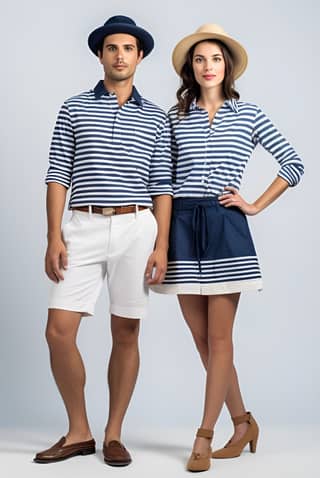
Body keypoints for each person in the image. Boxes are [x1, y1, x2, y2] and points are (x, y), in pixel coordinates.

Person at [151, 23, 304, 472]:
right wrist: (159, 241)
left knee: (220, 339)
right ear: (189, 68)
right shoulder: (173, 117)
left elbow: (293, 164)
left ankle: (203, 436)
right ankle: (243, 423)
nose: (207, 66)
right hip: (181, 226)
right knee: (202, 341)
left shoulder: (249, 113)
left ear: (227, 65)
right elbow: (160, 181)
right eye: (199, 59)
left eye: (215, 58)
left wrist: (254, 203)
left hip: (224, 229)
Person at [34, 15, 172, 466]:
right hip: (83, 226)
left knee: (126, 330)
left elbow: (162, 187)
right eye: (111, 47)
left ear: (140, 56)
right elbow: (57, 175)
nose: (119, 55)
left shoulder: (156, 117)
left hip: (137, 227)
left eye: (128, 48)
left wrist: (162, 245)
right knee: (58, 331)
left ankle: (114, 433)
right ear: (100, 54)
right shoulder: (73, 108)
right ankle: (79, 430)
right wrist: (54, 235)